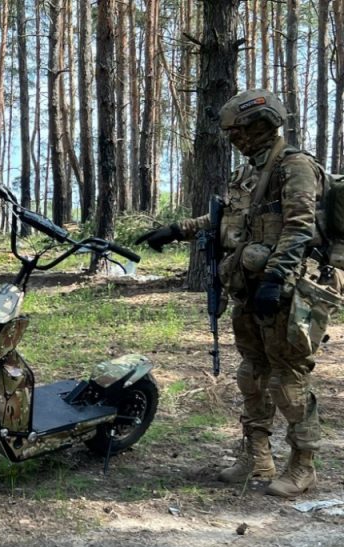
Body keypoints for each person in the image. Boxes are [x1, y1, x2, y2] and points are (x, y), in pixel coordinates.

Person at [136, 89, 342, 498]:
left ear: (260, 125)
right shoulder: (248, 172)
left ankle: (303, 465)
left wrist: (276, 278)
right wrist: (177, 230)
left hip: (288, 290)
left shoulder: (294, 166)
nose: (233, 139)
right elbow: (229, 218)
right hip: (249, 287)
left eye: (238, 131)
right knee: (252, 374)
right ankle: (257, 456)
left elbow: (299, 228)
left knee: (289, 379)